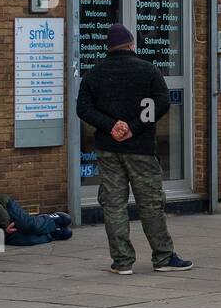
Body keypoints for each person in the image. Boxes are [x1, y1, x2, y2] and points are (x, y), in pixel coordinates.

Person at [75, 23, 193, 275]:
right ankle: (163, 257)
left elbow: (83, 109)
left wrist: (111, 126)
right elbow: (162, 102)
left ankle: (122, 261)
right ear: (131, 45)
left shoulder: (93, 74)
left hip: (108, 148)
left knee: (114, 204)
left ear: (108, 48)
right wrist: (134, 127)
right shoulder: (147, 70)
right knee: (150, 203)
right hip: (140, 148)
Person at [0, 190, 72, 248]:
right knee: (25, 240)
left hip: (5, 209)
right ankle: (52, 233)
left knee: (28, 225)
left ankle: (51, 219)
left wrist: (5, 223)